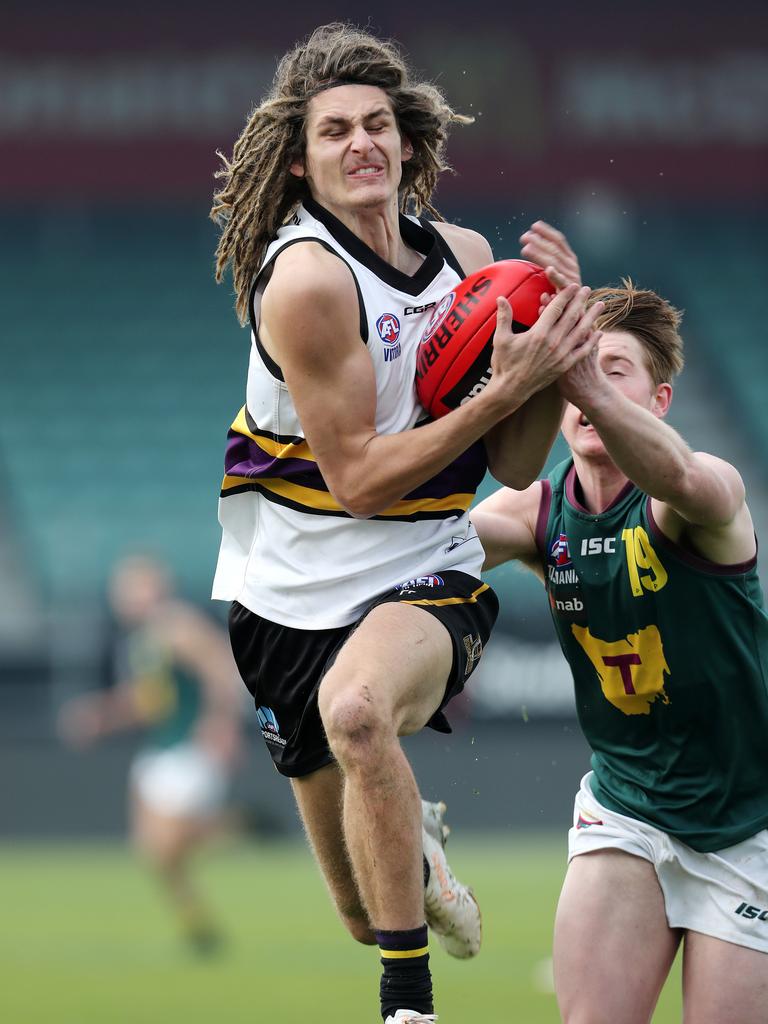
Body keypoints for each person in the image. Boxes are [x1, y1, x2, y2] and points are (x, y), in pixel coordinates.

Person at [209, 22, 603, 1023]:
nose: (362, 143)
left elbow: (512, 464)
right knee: (359, 908)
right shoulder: (305, 281)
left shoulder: (465, 259)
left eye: (377, 123)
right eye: (335, 129)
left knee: (357, 712)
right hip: (285, 600)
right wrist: (492, 395)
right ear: (300, 161)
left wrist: (550, 359)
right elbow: (357, 483)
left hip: (426, 567)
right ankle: (412, 842)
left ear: (406, 139)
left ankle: (407, 1005)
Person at [472, 278, 768, 1023]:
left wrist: (581, 382)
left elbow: (682, 479)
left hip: (748, 823)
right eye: (575, 369)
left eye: (613, 370)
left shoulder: (697, 491)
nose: (586, 390)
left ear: (659, 400)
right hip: (626, 807)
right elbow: (431, 551)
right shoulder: (538, 513)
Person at [58, 555, 244, 953]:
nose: (125, 598)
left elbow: (220, 668)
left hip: (189, 749)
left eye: (134, 588)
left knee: (165, 846)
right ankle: (199, 925)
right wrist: (102, 716)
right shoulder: (141, 641)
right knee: (152, 852)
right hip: (161, 747)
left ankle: (236, 826)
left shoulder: (176, 625)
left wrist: (221, 724)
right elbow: (147, 702)